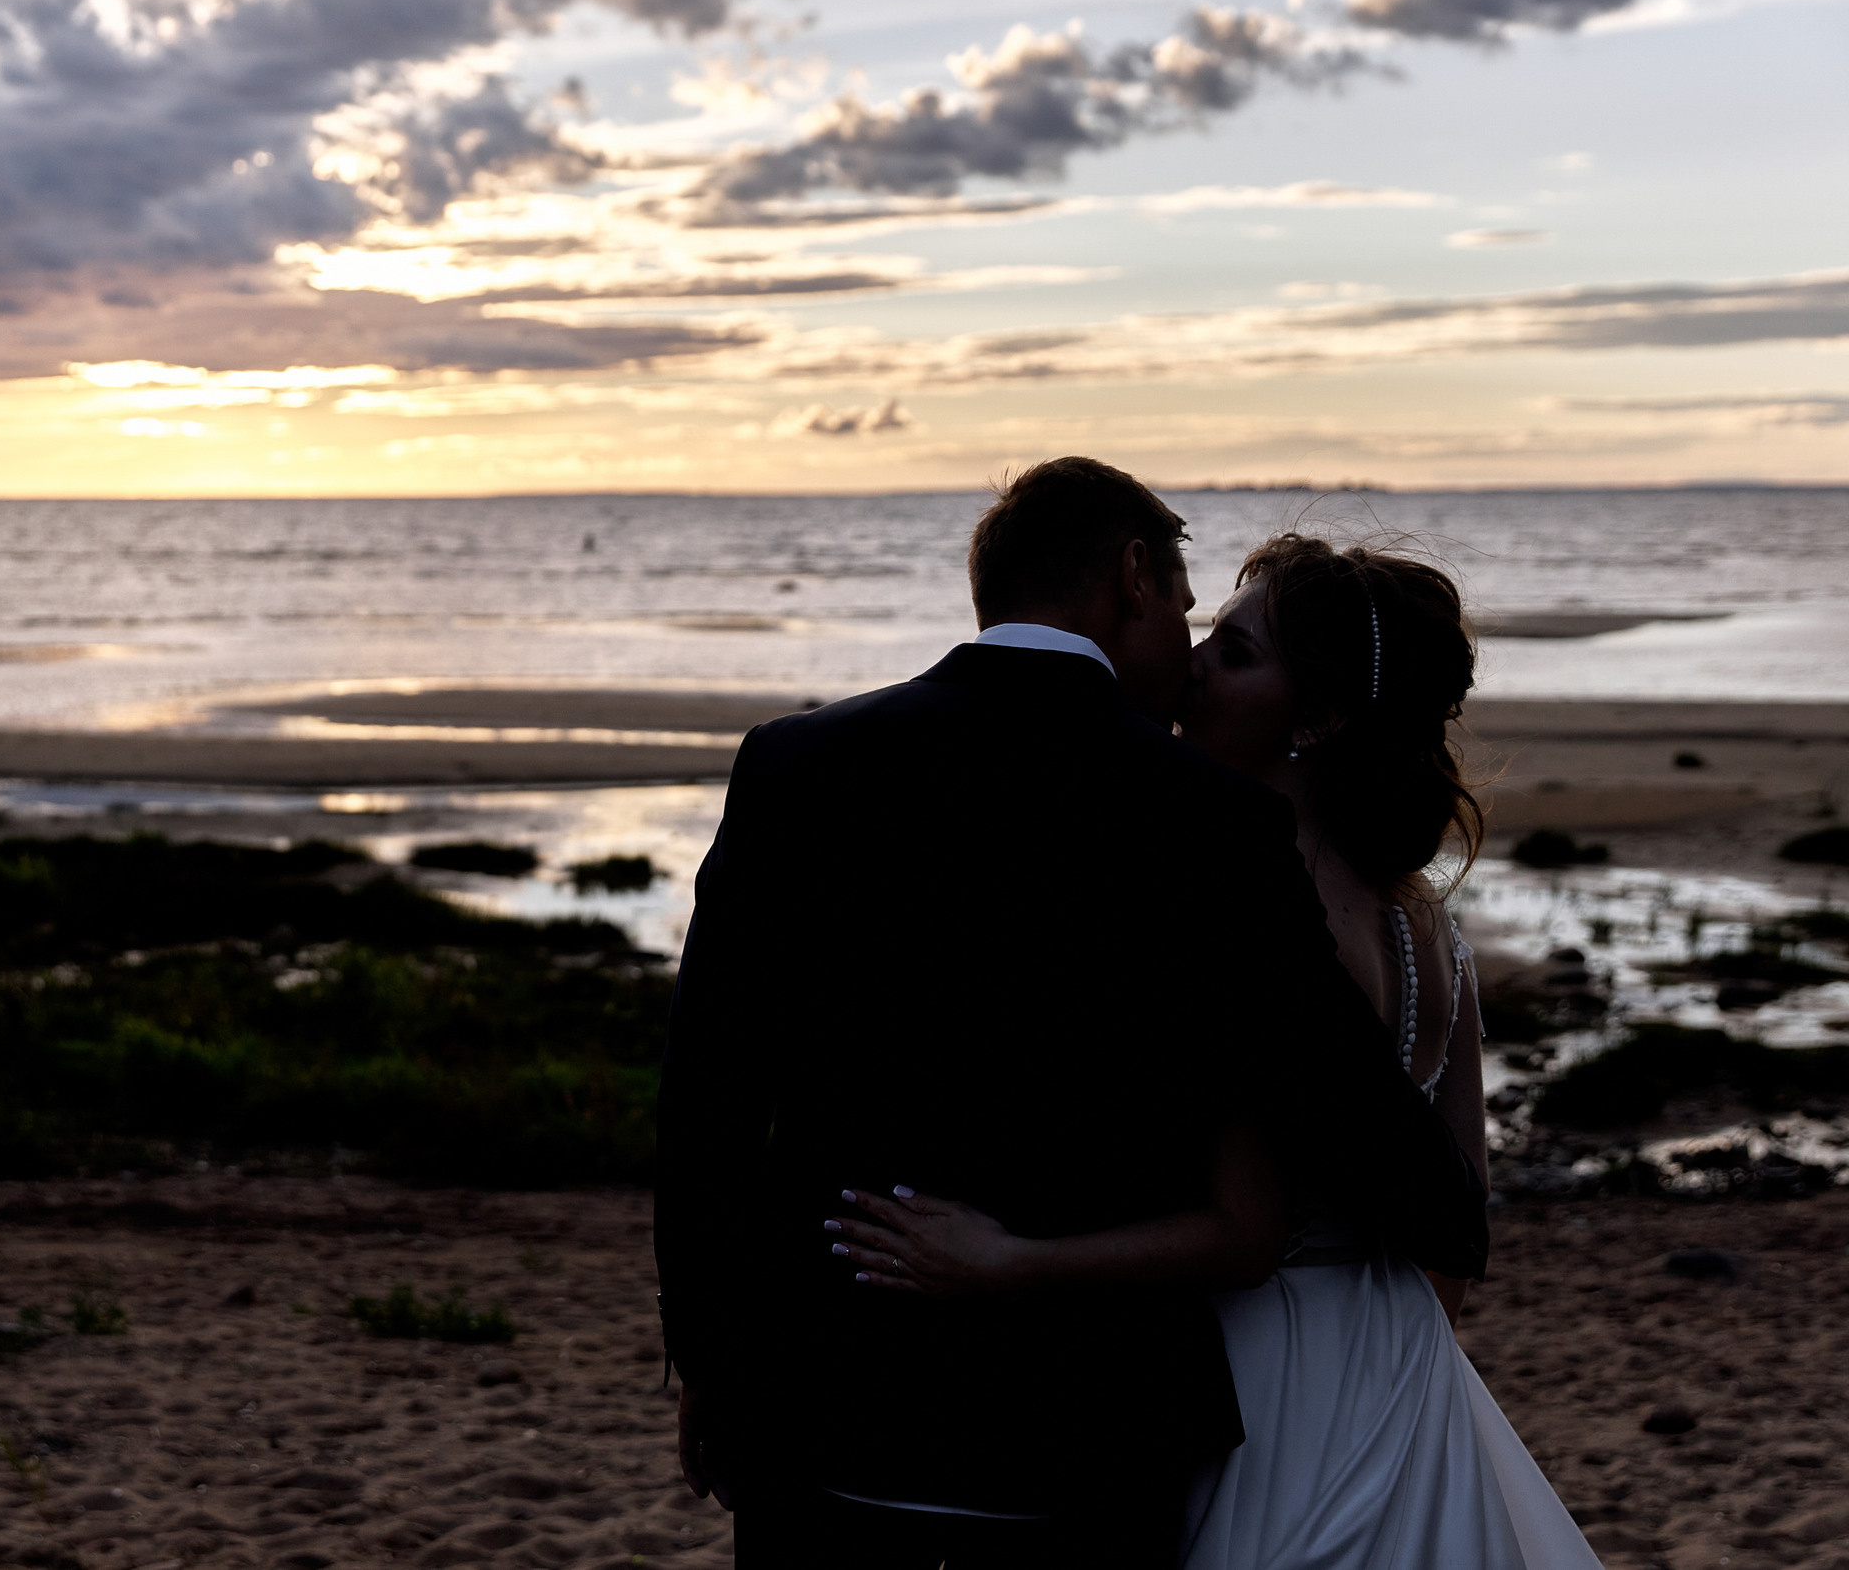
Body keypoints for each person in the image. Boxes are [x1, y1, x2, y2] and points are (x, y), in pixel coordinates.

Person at [654, 460, 1488, 1570]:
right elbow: (1378, 1142)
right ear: (1134, 577)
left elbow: (707, 1098)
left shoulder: (794, 762)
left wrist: (712, 1361)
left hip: (825, 1408)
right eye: (1189, 610)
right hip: (1088, 1441)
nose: (1189, 654)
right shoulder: (1214, 823)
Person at [829, 532, 1602, 1568]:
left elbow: (1248, 1224)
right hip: (1402, 1365)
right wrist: (1389, 1373)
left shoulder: (1250, 912)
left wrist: (1007, 1262)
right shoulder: (1427, 928)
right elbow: (1457, 1218)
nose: (1192, 662)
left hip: (1253, 1370)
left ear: (1318, 716)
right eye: (1205, 635)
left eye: (1234, 655)